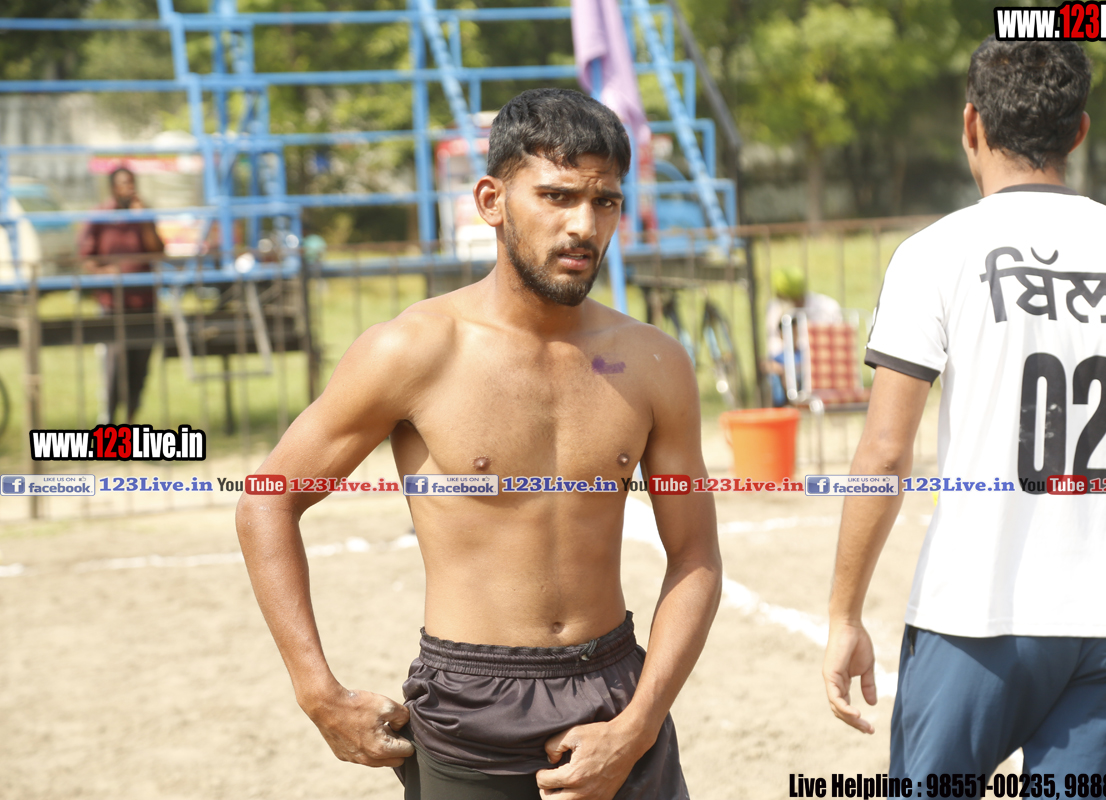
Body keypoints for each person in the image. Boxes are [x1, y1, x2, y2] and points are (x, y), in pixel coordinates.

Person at [235, 88, 721, 800]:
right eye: (556, 196)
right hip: (470, 702)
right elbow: (266, 502)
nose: (583, 225)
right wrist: (318, 692)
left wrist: (640, 723)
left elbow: (696, 555)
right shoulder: (414, 350)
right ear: (492, 200)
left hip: (617, 690)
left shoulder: (654, 362)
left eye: (605, 201)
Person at [822, 37, 1106, 778]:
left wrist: (843, 614)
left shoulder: (935, 253)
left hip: (971, 614)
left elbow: (885, 453)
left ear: (971, 124)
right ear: (1079, 131)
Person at [79, 166, 165, 423]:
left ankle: (130, 423)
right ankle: (109, 424)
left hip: (144, 302)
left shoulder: (143, 214)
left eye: (132, 182)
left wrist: (144, 219)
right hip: (113, 304)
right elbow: (86, 256)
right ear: (113, 187)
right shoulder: (100, 215)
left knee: (140, 368)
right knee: (114, 368)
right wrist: (103, 272)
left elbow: (158, 251)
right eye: (124, 182)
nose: (129, 187)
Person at [763, 269, 841, 406]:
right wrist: (779, 367)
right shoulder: (775, 308)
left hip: (818, 365)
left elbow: (834, 349)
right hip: (786, 365)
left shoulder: (827, 307)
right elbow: (774, 347)